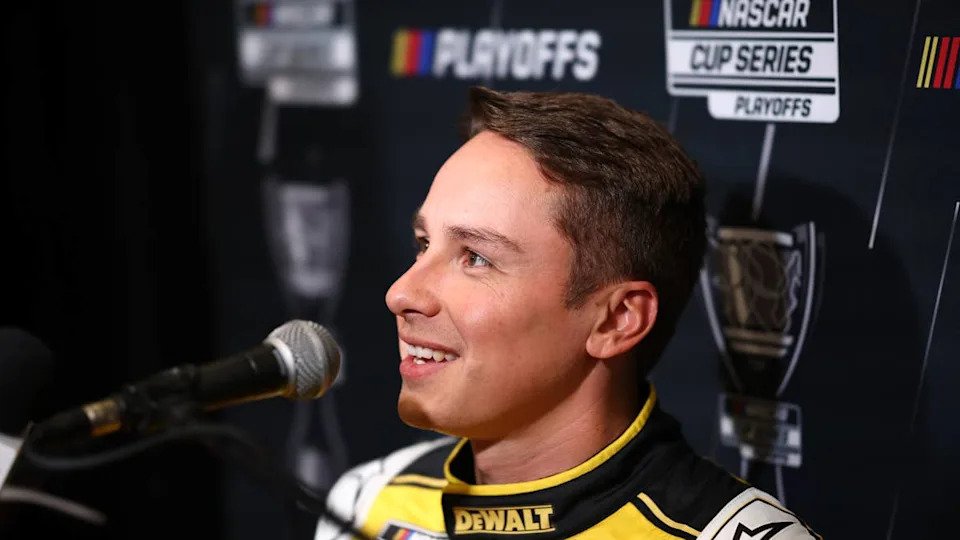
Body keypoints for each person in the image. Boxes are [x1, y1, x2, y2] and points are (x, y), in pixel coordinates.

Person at [315, 87, 820, 539]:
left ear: (617, 319)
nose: (401, 292)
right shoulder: (366, 503)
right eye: (424, 244)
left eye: (476, 258)